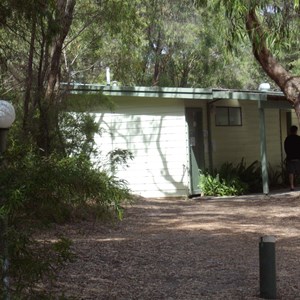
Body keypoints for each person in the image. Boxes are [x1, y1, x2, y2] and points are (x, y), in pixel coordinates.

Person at [284, 125, 300, 191]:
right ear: (296, 131)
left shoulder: (287, 139)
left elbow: (286, 148)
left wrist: (288, 154)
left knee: (291, 172)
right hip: (298, 158)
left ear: (290, 131)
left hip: (290, 158)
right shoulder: (299, 138)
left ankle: (292, 186)